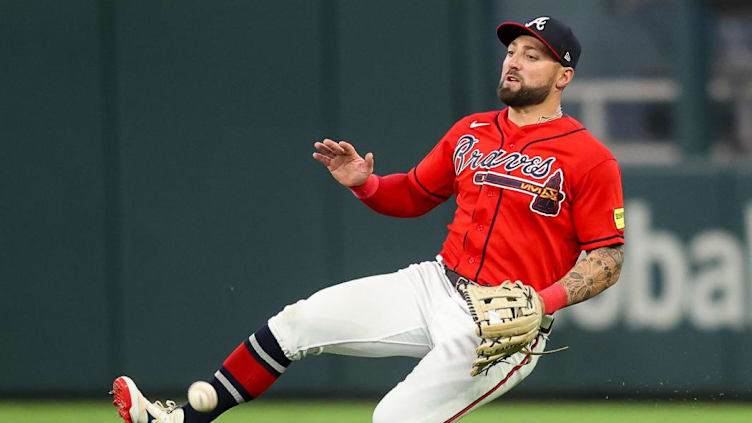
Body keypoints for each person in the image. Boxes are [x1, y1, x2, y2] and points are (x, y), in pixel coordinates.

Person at [112, 15, 625, 423]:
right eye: (511, 51)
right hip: (437, 283)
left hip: (502, 324)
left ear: (564, 76)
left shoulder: (590, 158)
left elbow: (608, 257)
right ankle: (180, 422)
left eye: (532, 56)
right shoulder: (472, 130)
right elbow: (415, 195)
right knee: (298, 322)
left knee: (395, 418)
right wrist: (366, 184)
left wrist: (544, 301)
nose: (513, 62)